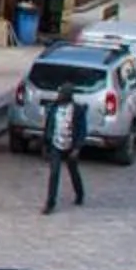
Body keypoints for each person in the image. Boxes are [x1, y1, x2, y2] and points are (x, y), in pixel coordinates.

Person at [41, 83, 87, 214]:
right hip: (56, 144)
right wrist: (45, 144)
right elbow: (48, 126)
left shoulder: (77, 110)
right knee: (54, 173)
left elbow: (82, 130)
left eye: (61, 94)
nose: (59, 96)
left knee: (73, 171)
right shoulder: (53, 108)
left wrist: (77, 148)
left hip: (70, 145)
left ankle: (80, 194)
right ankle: (50, 203)